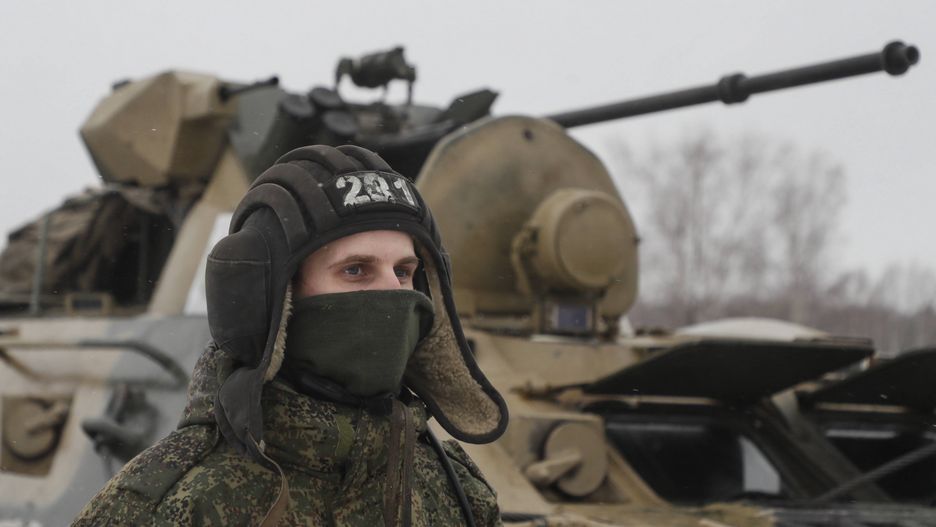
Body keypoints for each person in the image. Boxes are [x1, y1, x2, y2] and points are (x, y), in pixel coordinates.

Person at [73, 145, 509, 526]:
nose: (393, 294)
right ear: (274, 299)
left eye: (404, 271)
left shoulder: (456, 490)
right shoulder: (176, 502)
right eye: (355, 270)